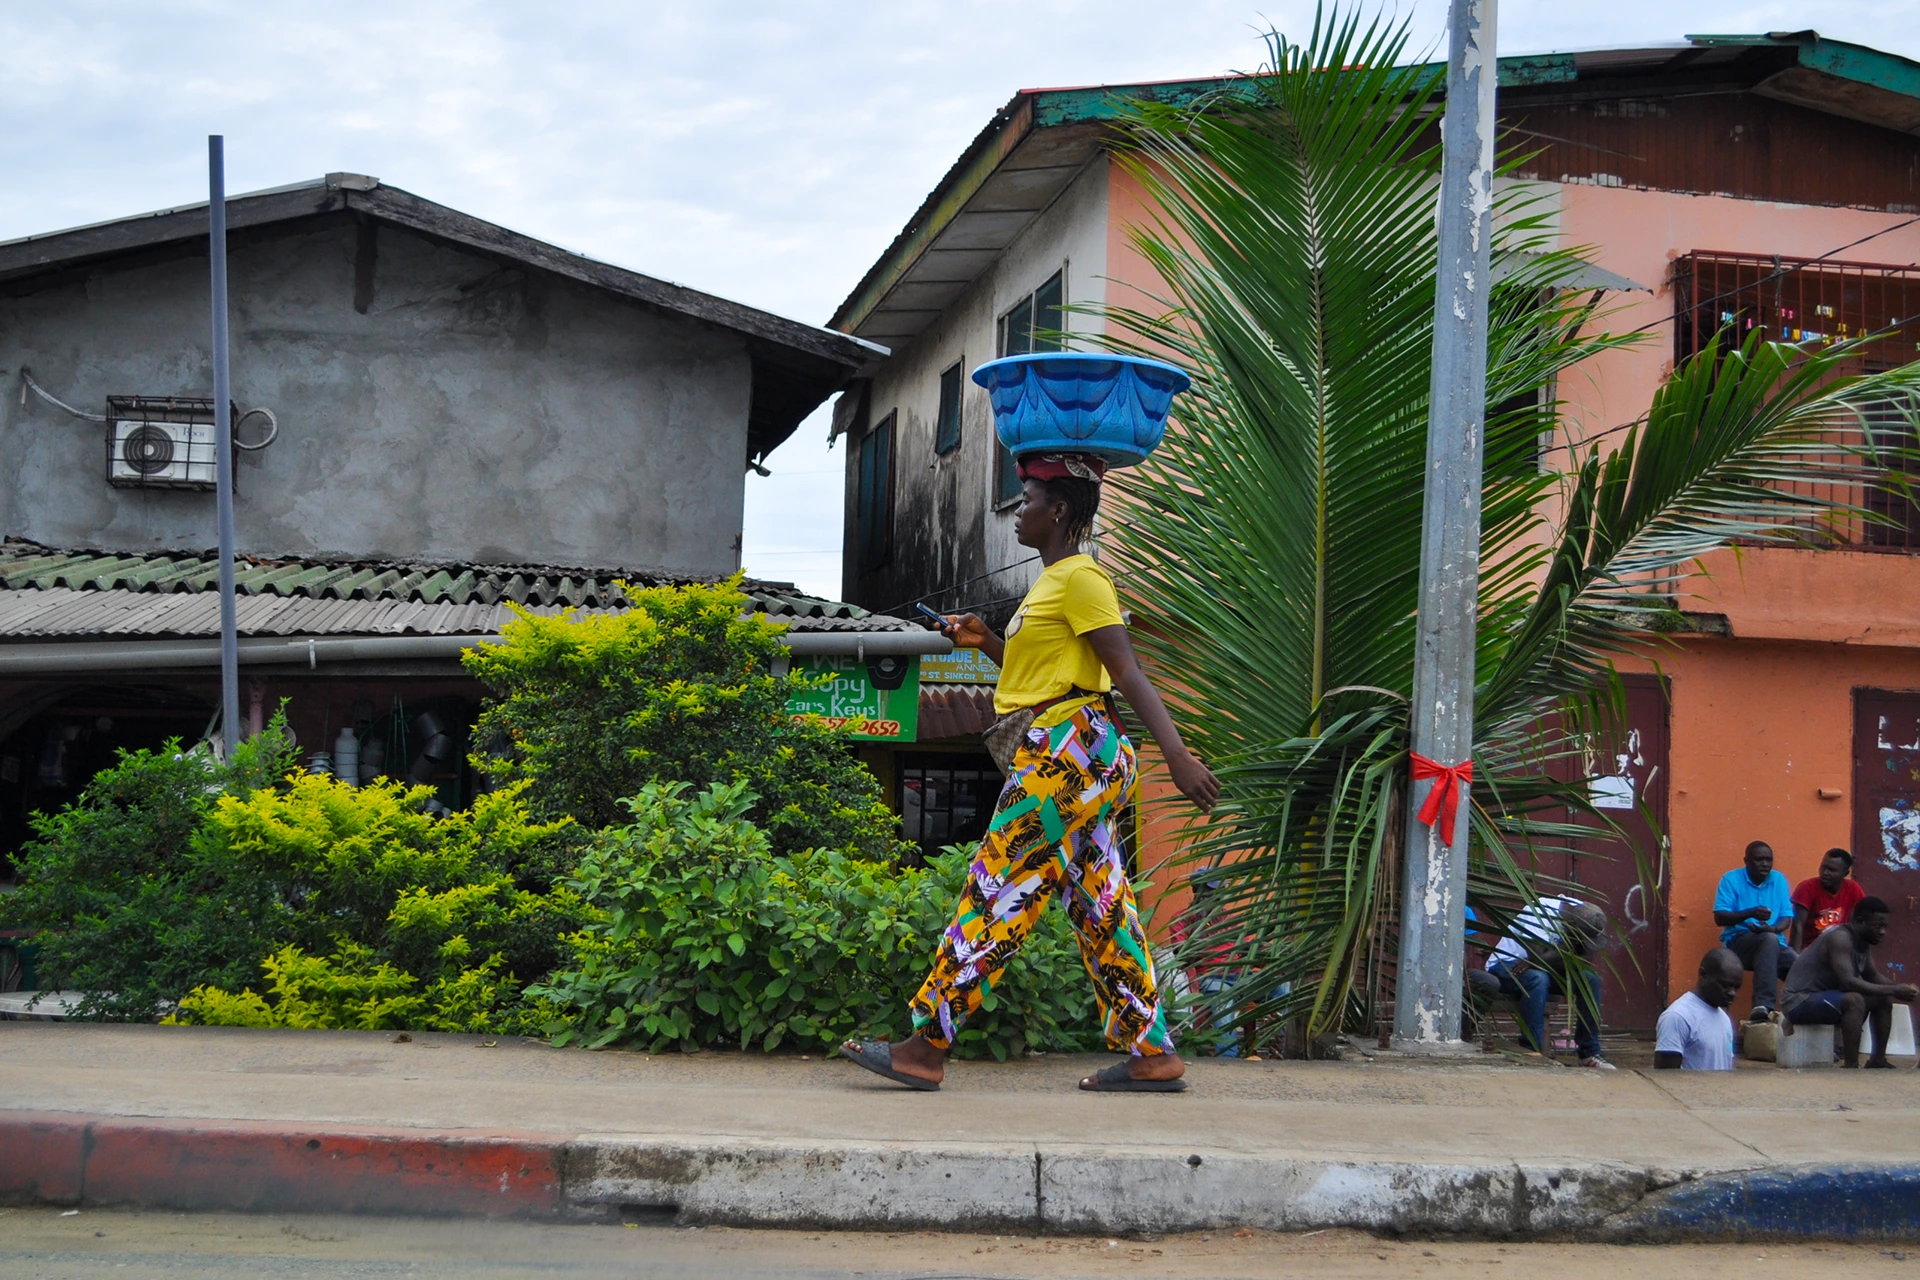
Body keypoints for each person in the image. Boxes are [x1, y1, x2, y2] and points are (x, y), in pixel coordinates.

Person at [840, 452, 1220, 1093]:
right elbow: (1038, 673)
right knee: (1101, 906)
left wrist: (1177, 756)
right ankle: (1151, 1052)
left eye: (1029, 500)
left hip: (1069, 753)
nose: (1020, 510)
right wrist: (986, 641)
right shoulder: (1052, 585)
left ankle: (926, 1045)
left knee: (998, 884)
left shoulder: (1081, 579)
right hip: (1073, 751)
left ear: (1060, 510)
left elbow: (1124, 671)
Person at [1778, 895, 1919, 1068]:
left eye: (1884, 927)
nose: (1882, 931)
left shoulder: (1863, 941)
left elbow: (1872, 975)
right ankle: (1851, 1065)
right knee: (1854, 999)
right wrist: (1894, 990)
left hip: (1823, 998)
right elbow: (1848, 983)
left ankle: (1877, 1060)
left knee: (1883, 998)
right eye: (1878, 926)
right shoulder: (1840, 938)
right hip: (1798, 1002)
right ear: (1860, 921)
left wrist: (1901, 988)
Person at [1485, 897, 1616, 1070]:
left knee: (1590, 979)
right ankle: (1530, 1049)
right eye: (1577, 938)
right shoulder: (1539, 912)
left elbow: (1585, 958)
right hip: (1507, 965)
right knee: (1538, 978)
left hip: (1539, 969)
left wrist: (1546, 958)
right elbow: (1538, 956)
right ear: (1569, 923)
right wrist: (1570, 950)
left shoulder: (1586, 912)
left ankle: (1589, 1052)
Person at [1712, 840, 1796, 1022]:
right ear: (1746, 861)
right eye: (1759, 860)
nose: (1765, 864)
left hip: (1774, 942)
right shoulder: (1731, 879)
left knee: (1802, 968)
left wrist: (1773, 928)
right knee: (1768, 940)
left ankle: (1802, 1017)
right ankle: (1763, 1006)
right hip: (1739, 943)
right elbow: (1719, 917)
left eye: (1768, 860)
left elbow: (1786, 918)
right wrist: (1749, 913)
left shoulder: (1778, 880)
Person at [1653, 948, 1743, 1070]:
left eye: (1736, 987)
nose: (1732, 993)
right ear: (1703, 975)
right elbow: (1664, 1078)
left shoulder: (1724, 1018)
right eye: (1725, 985)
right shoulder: (1678, 1017)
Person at [1791, 848, 1866, 952]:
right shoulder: (1807, 887)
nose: (1825, 873)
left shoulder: (1853, 888)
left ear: (1845, 873)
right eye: (1823, 867)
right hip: (1810, 949)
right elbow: (1798, 925)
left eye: (1832, 870)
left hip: (1840, 947)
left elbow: (1859, 921)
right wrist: (1797, 957)